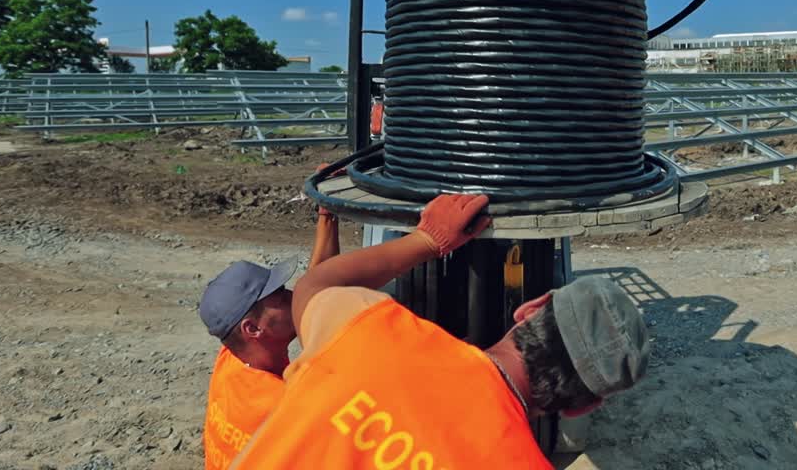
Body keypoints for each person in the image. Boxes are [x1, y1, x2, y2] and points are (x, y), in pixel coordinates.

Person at [229, 193, 651, 469]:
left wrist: (428, 241)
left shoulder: (367, 331)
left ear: (529, 309)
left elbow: (314, 285)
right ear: (583, 407)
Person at [199, 172, 344, 470]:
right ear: (253, 329)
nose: (293, 294)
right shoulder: (284, 408)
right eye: (279, 297)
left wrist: (327, 212)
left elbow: (317, 285)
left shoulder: (232, 359)